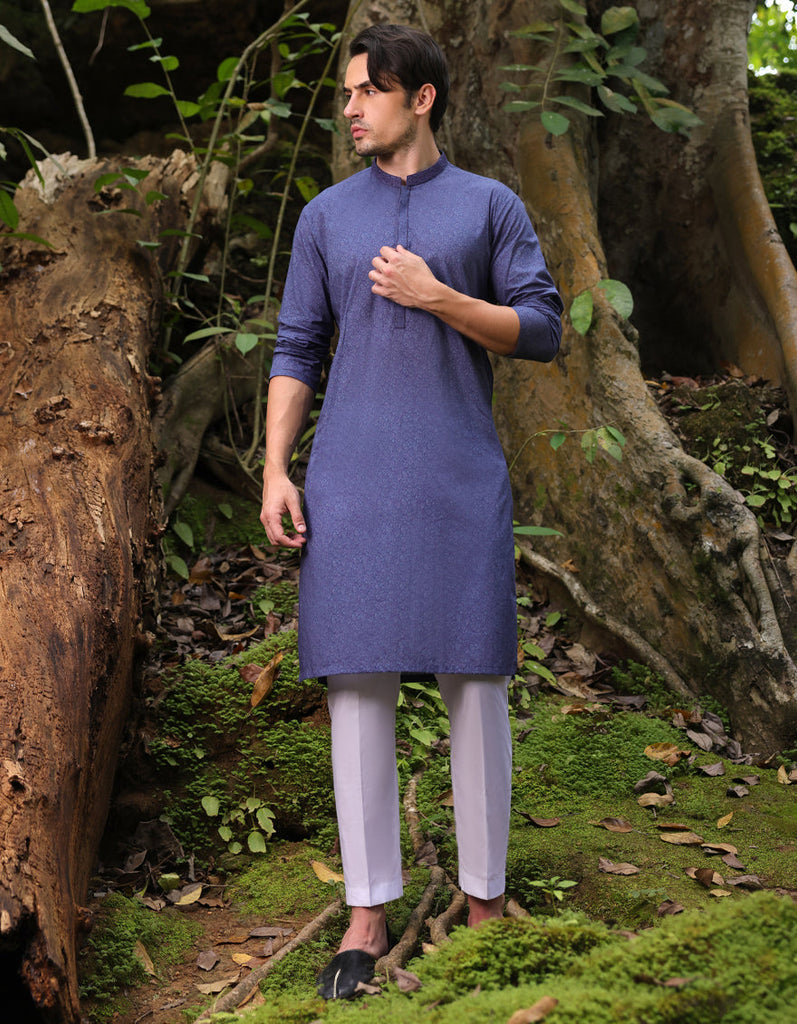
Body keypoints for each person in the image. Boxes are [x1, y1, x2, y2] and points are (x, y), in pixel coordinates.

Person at [260, 22, 563, 999]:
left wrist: (438, 297)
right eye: (346, 92)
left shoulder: (488, 205)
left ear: (420, 98)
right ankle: (365, 912)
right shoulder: (326, 217)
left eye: (368, 91)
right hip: (349, 479)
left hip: (456, 477)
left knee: (475, 683)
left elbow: (542, 328)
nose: (350, 107)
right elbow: (295, 346)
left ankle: (483, 906)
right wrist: (275, 469)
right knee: (356, 686)